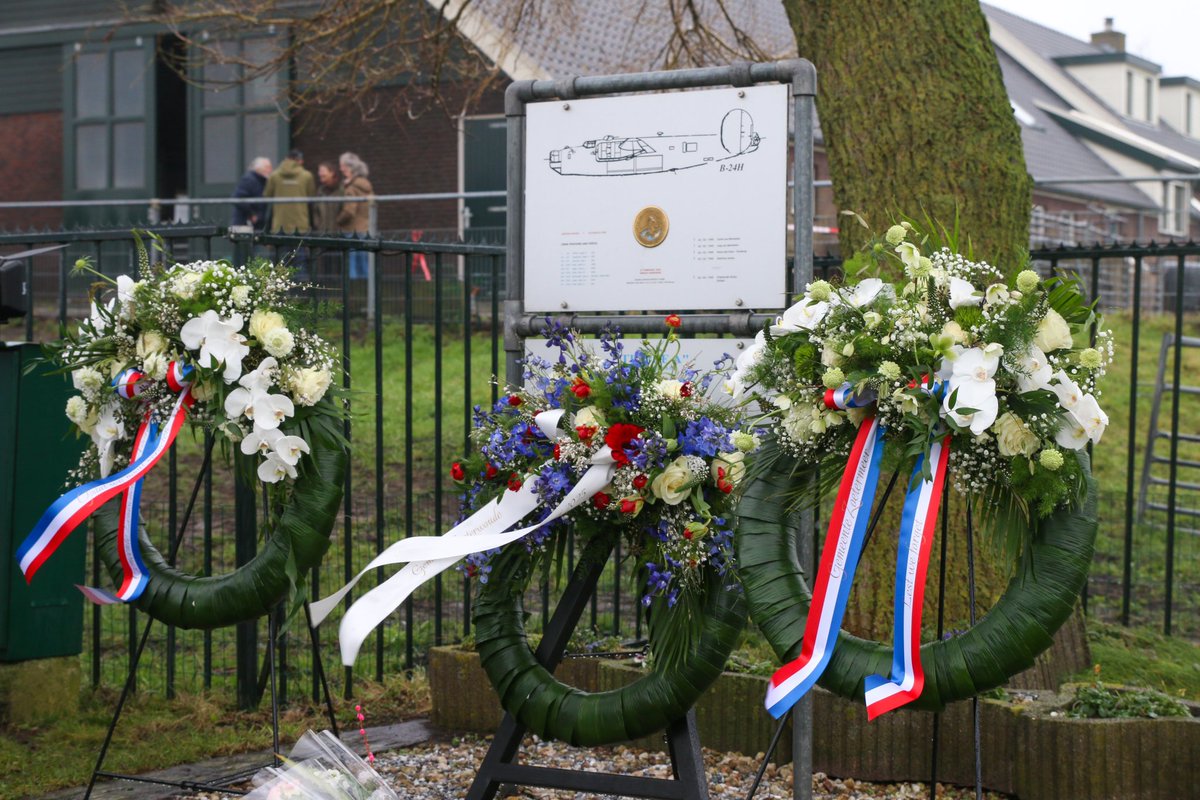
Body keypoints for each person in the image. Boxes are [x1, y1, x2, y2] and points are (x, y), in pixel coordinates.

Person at [336, 152, 373, 279]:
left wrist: (338, 220)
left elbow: (349, 211)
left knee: (350, 263)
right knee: (364, 263)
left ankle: (351, 289)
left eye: (342, 166)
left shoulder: (351, 188)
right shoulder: (367, 186)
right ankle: (366, 288)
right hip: (365, 229)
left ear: (348, 168)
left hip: (351, 230)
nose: (340, 169)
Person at [263, 149, 315, 233]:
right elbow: (311, 197)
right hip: (300, 224)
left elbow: (267, 195)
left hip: (279, 224)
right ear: (300, 161)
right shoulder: (307, 176)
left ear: (286, 159)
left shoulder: (274, 175)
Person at [231, 157, 272, 230]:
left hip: (256, 224)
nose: (270, 170)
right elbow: (238, 198)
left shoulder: (262, 181)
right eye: (267, 167)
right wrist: (252, 214)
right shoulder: (249, 180)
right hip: (244, 223)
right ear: (258, 168)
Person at [311, 161, 343, 234]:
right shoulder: (320, 192)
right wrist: (318, 224)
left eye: (322, 171)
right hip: (322, 233)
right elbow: (315, 211)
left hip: (339, 233)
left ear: (332, 173)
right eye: (319, 171)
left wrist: (339, 223)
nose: (320, 173)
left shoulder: (341, 191)